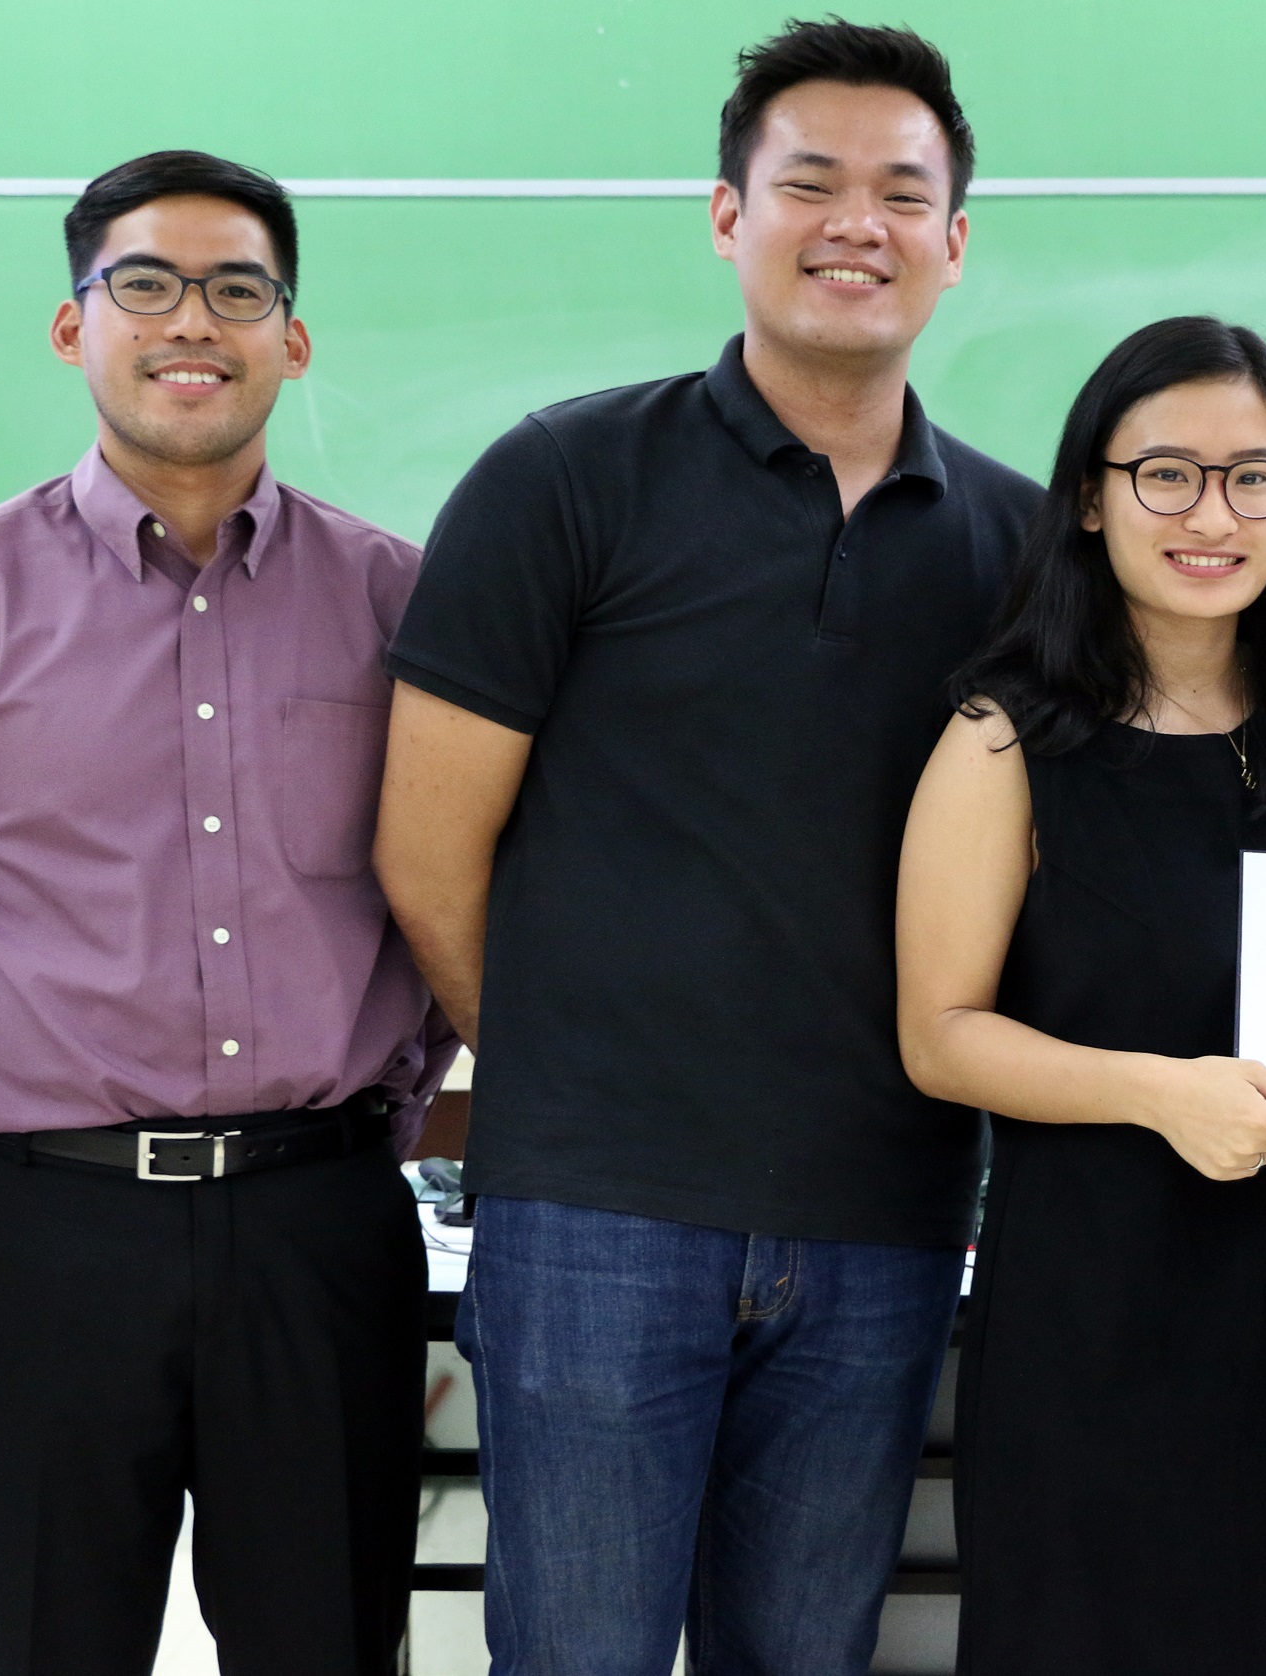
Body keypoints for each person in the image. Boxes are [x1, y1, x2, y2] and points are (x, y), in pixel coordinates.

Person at [372, 21, 1039, 1673]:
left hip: (887, 1221)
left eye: (904, 193)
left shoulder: (1024, 544)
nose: (855, 225)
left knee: (804, 1657)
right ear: (728, 217)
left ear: (957, 244)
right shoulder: (563, 480)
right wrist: (585, 1077)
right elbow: (426, 847)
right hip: (598, 1219)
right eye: (807, 182)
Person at [0, 151, 456, 1676]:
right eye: (144, 284)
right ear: (71, 324)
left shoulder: (393, 599)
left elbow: (446, 901)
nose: (193, 323)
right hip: (46, 1233)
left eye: (241, 290)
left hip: (320, 1226)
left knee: (328, 1647)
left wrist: (373, 1124)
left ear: (292, 338)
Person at [895, 315, 1266, 1676]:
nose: (1215, 513)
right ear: (1090, 497)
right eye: (1168, 473)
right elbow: (939, 1037)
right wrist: (1162, 1095)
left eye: (1254, 476)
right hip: (1091, 1312)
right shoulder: (1004, 739)